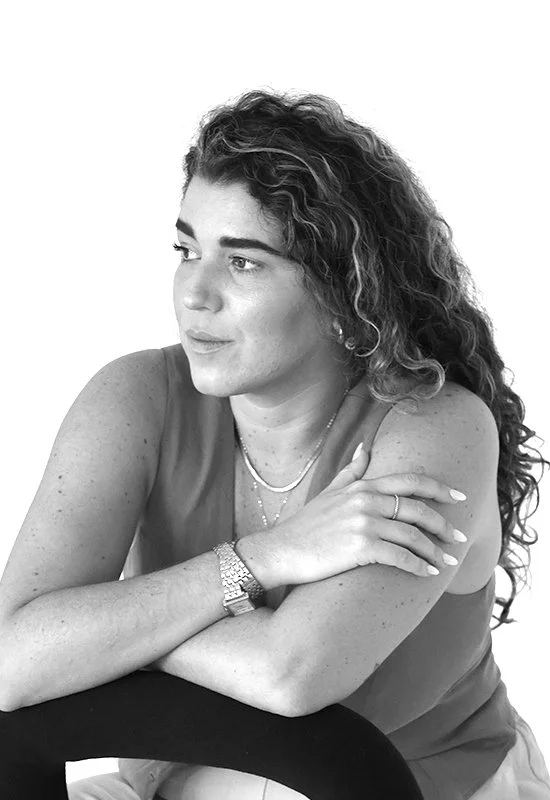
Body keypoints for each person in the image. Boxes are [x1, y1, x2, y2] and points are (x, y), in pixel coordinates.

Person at [0, 88, 549, 800]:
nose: (194, 294)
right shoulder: (135, 396)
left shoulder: (436, 429)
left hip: (416, 787)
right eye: (186, 248)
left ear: (346, 296)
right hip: (173, 778)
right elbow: (12, 662)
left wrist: (109, 633)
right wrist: (266, 558)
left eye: (244, 262)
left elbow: (290, 676)